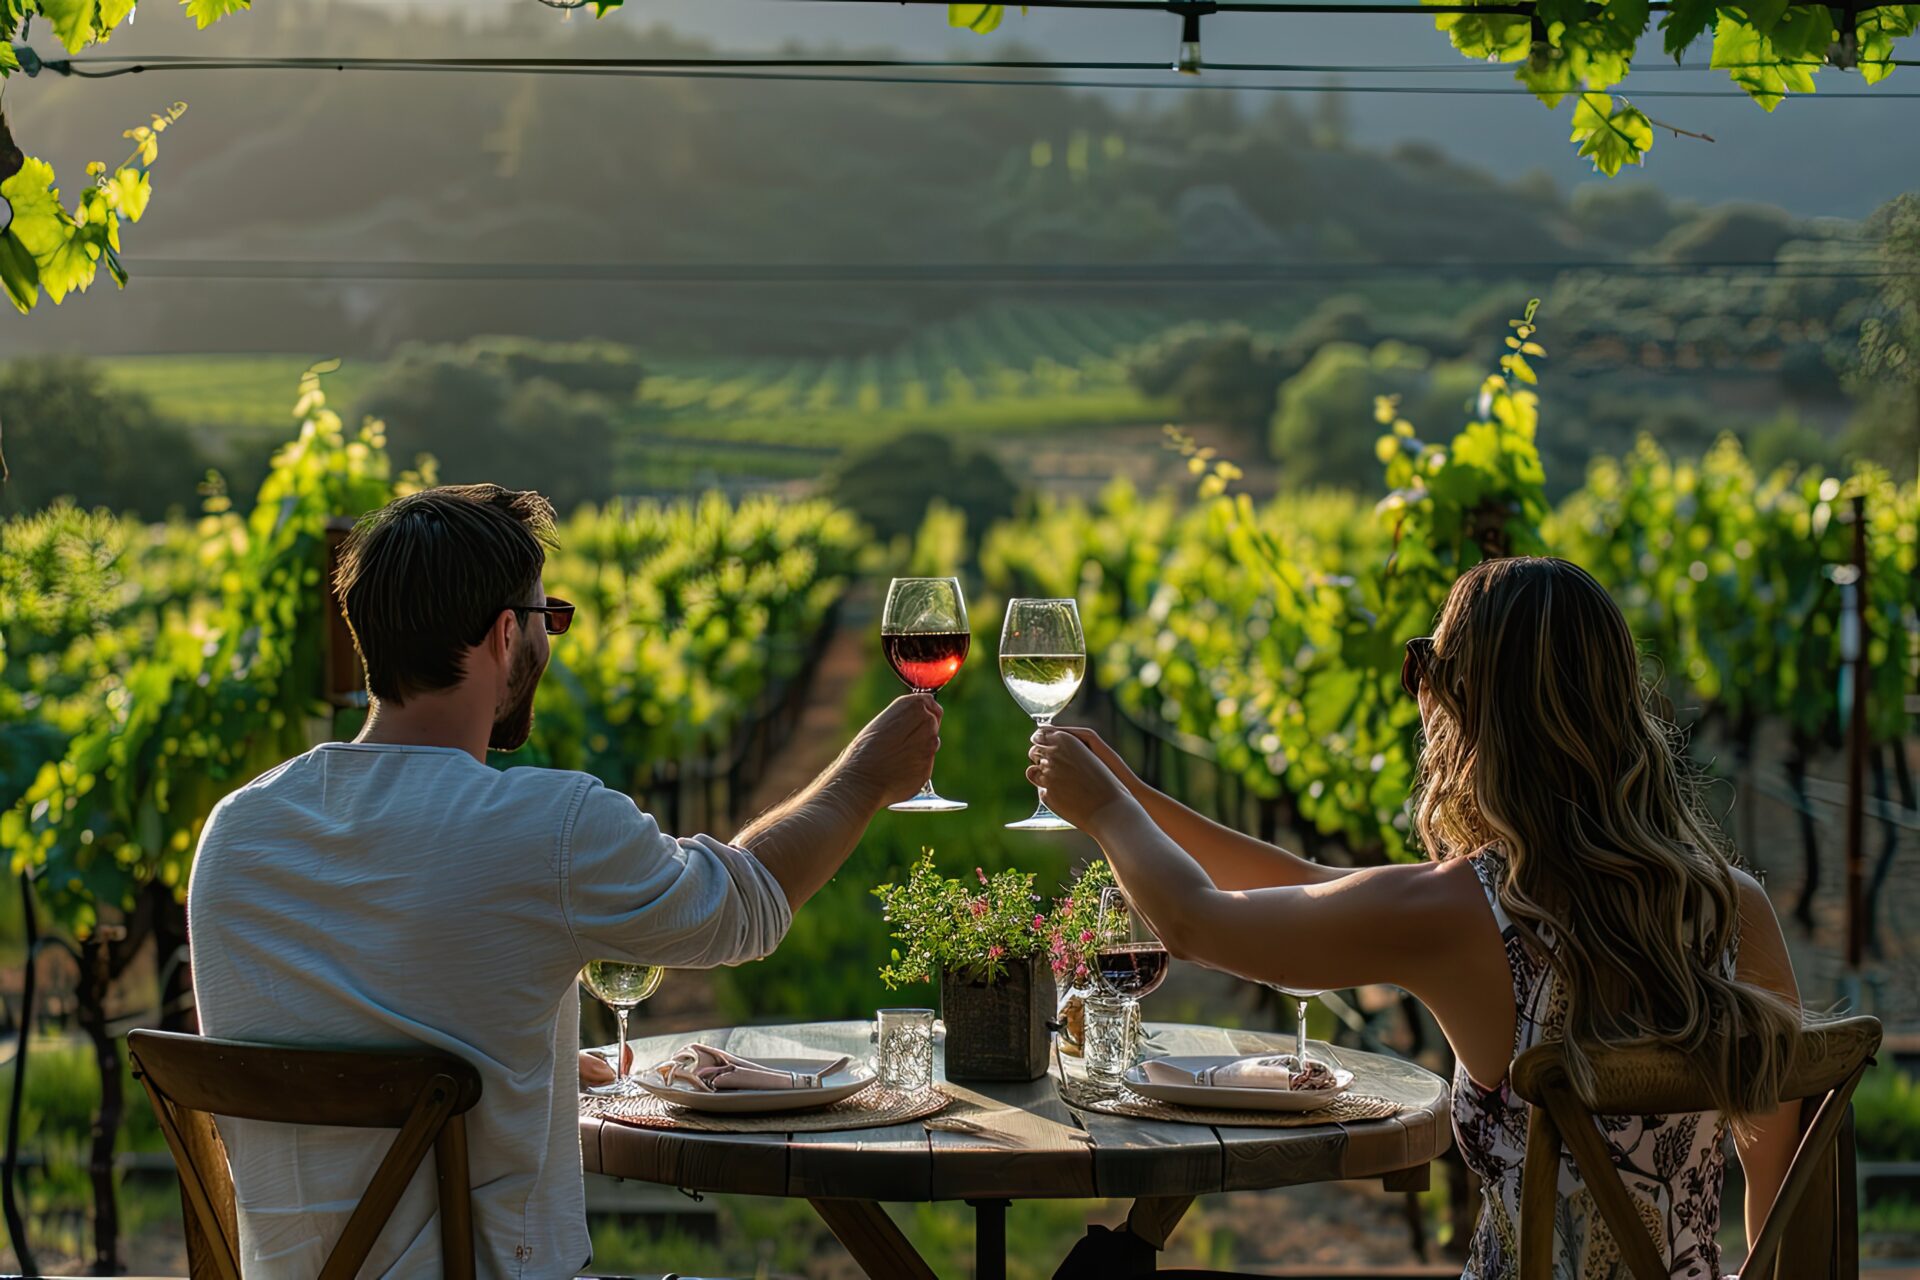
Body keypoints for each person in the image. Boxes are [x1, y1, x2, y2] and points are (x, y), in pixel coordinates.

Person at [188, 484, 940, 1278]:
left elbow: (342, 1024)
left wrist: (515, 1063)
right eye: (548, 620)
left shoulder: (235, 832)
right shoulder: (549, 826)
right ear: (505, 634)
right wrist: (863, 779)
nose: (549, 644)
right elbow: (743, 907)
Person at [1028, 556, 1804, 1280]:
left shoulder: (1473, 912)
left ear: (1471, 706)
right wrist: (1136, 796)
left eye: (1425, 667)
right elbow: (1311, 885)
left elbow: (1196, 924)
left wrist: (1102, 811)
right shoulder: (1736, 909)